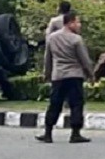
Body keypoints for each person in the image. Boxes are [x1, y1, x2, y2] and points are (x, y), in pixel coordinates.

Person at [36, 12, 94, 144]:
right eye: (77, 22)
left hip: (58, 76)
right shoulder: (76, 39)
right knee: (76, 104)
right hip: (74, 75)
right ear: (70, 23)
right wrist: (91, 75)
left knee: (55, 104)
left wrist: (47, 74)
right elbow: (84, 60)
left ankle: (48, 132)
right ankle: (75, 133)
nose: (79, 25)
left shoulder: (52, 38)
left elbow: (48, 58)